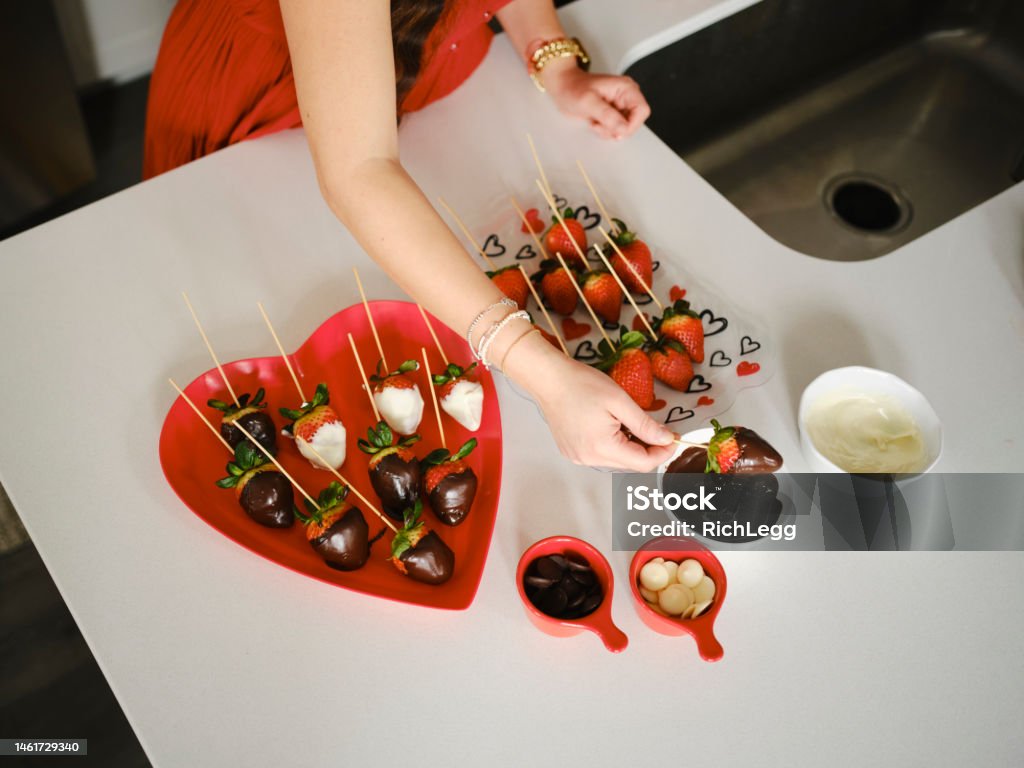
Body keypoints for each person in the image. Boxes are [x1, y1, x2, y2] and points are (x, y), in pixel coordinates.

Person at [145, 0, 676, 470]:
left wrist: (555, 63)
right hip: (269, 122)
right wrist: (547, 376)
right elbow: (359, 171)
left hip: (434, 78)